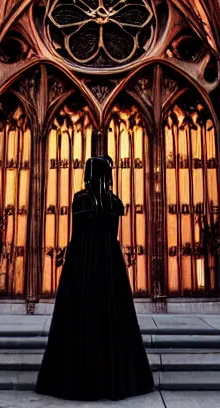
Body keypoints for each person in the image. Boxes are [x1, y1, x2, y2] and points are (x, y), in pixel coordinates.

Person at [36, 157, 154, 401]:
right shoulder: (113, 201)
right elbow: (114, 229)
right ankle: (114, 380)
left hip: (84, 260)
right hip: (110, 262)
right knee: (112, 317)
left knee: (81, 315)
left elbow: (77, 232)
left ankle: (79, 380)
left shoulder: (82, 198)